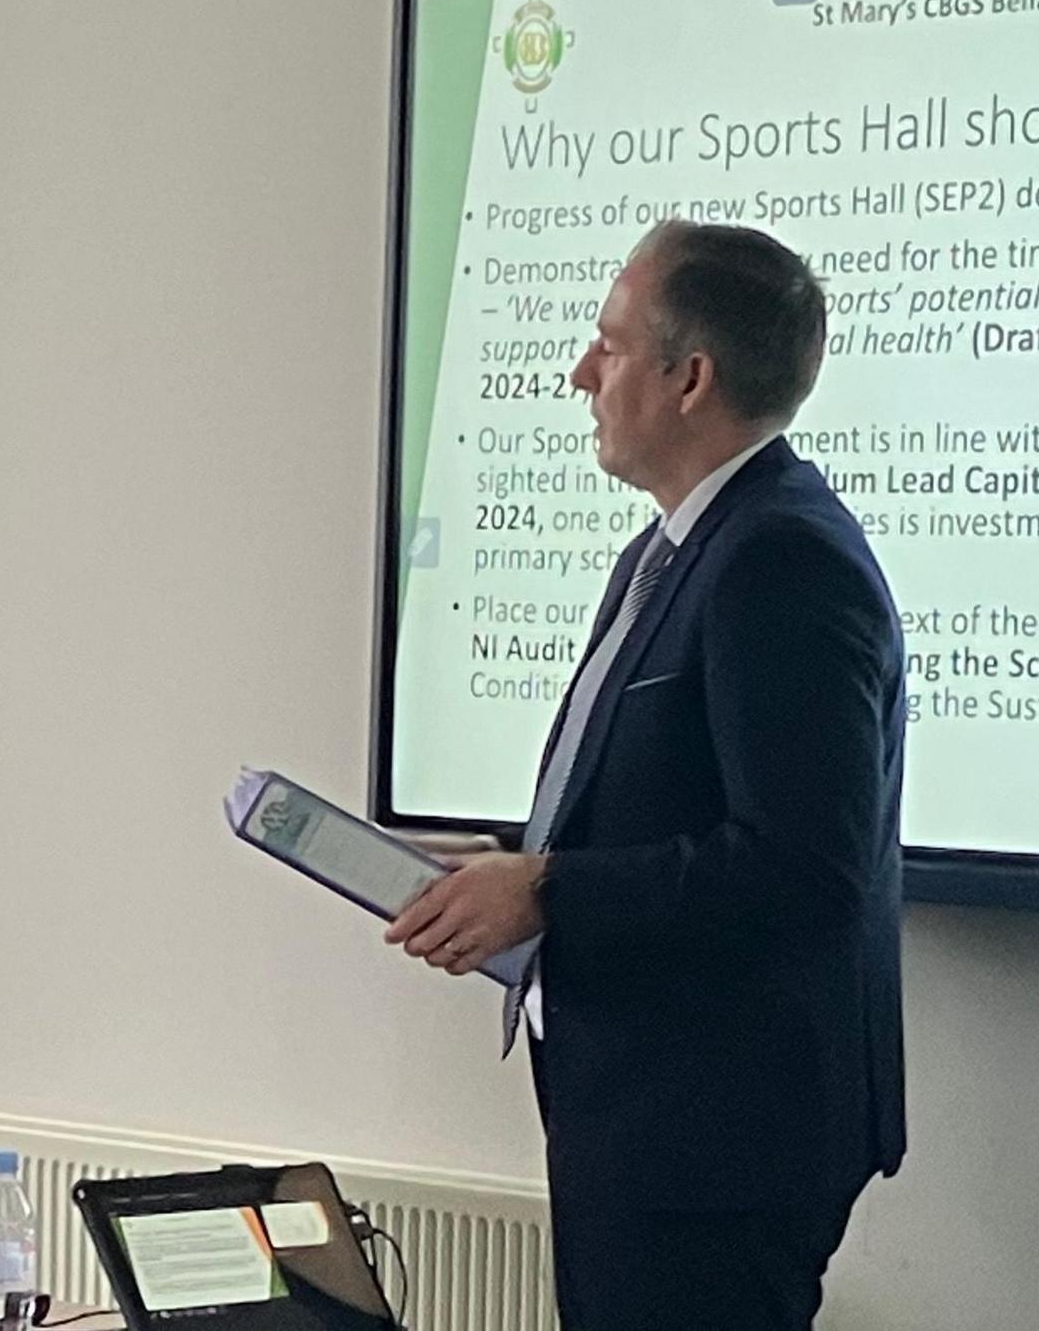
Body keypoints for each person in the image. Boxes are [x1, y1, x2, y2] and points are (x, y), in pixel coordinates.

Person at [387, 221, 907, 1328]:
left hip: (718, 1143)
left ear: (689, 378)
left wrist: (547, 890)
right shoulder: (676, 547)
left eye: (607, 346)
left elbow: (801, 867)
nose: (579, 373)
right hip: (649, 1124)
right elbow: (657, 795)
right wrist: (511, 862)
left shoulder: (780, 559)